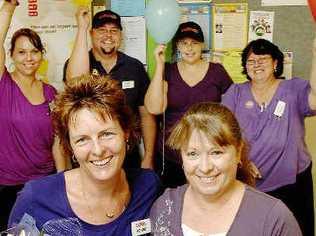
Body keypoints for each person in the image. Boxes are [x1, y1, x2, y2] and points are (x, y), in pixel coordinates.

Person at [8, 74, 160, 235]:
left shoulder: (148, 186)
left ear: (126, 133)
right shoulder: (36, 199)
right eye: (82, 140)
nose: (98, 150)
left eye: (106, 134)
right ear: (70, 146)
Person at [150, 102, 302, 235]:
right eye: (192, 154)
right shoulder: (165, 206)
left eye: (216, 152)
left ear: (238, 152)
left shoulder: (274, 218)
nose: (205, 167)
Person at [222, 38, 316, 236]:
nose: (256, 65)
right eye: (251, 61)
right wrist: (241, 160)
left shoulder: (294, 89)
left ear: (275, 63)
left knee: (297, 230)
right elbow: (223, 132)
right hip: (249, 181)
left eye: (263, 59)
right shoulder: (235, 93)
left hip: (293, 181)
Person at [0, 0, 65, 231]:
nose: (29, 58)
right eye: (22, 52)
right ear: (11, 56)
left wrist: (62, 178)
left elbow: (58, 141)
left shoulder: (51, 93)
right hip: (7, 186)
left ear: (41, 54)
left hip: (43, 184)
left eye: (34, 51)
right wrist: (7, 9)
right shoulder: (3, 84)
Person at [64, 7, 156, 169]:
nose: (108, 35)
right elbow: (74, 82)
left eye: (114, 30)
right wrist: (82, 28)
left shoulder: (134, 67)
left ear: (120, 36)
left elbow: (146, 116)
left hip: (128, 155)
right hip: (92, 154)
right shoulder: (79, 63)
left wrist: (148, 157)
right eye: (101, 30)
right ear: (92, 34)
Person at [144, 21, 233, 188]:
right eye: (184, 43)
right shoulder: (168, 71)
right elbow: (154, 108)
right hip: (172, 157)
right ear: (177, 45)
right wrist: (160, 65)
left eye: (194, 43)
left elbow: (231, 112)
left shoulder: (217, 72)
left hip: (207, 157)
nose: (189, 48)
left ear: (202, 45)